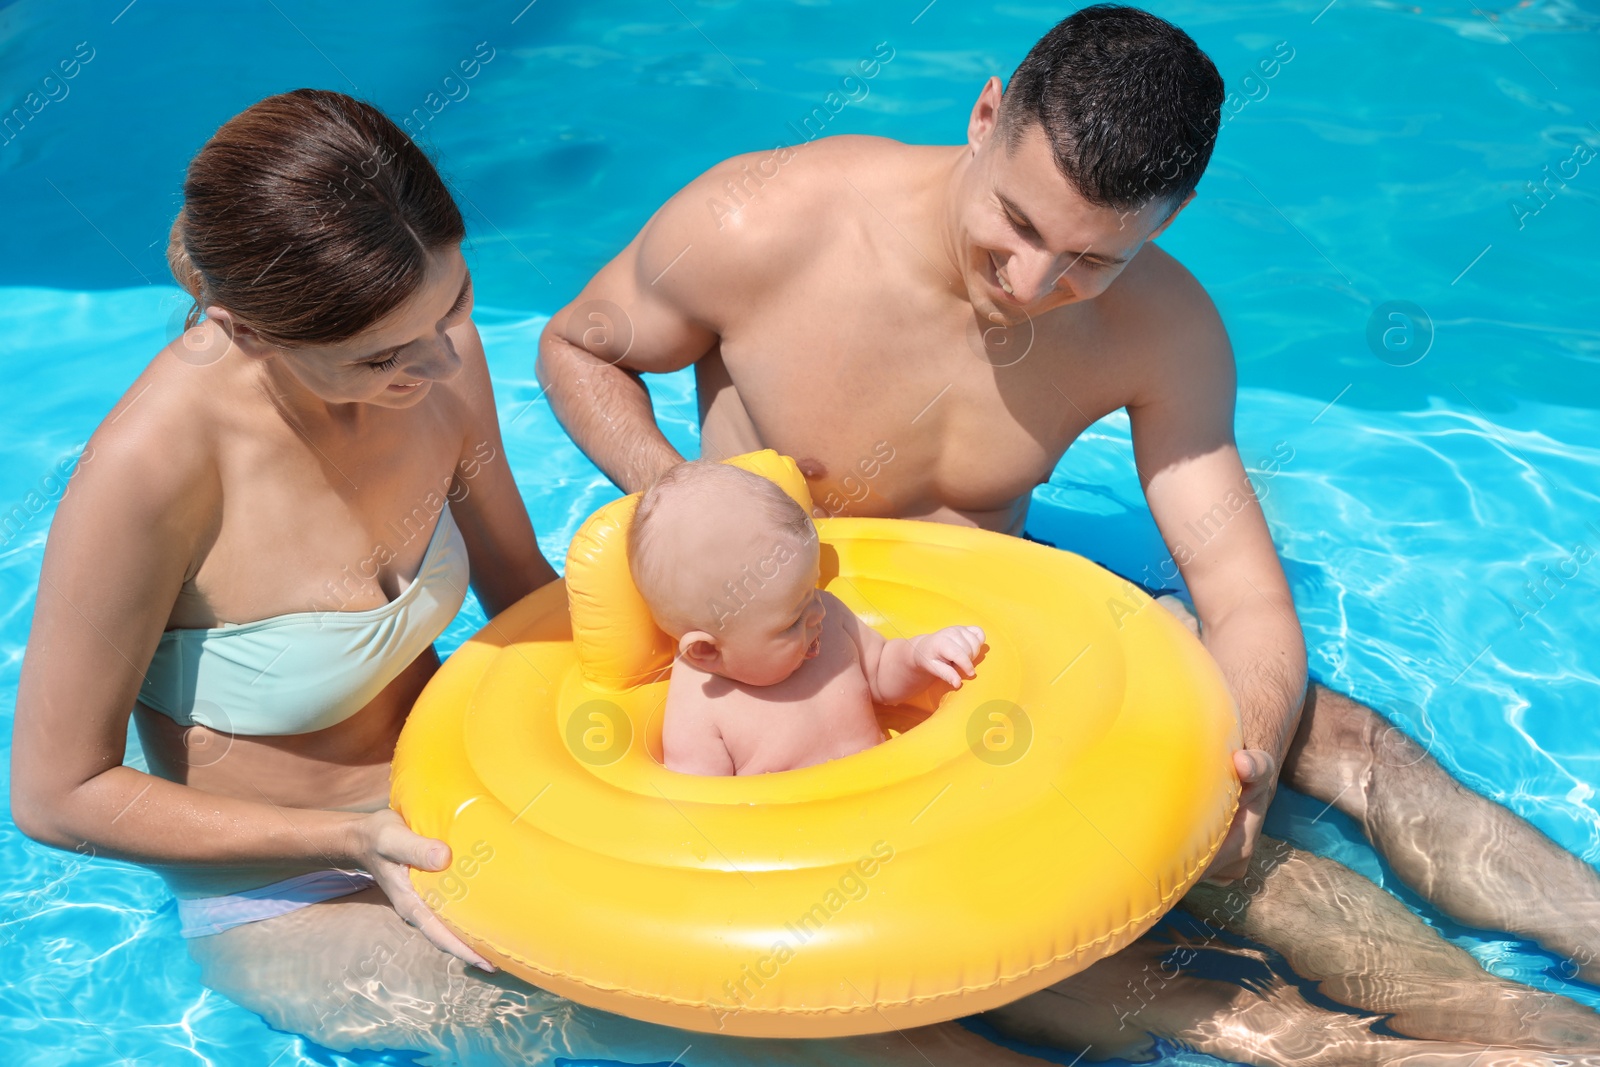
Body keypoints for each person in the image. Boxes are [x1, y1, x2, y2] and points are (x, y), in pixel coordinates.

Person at [537, 5, 1600, 1060]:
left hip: (1004, 636)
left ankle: (1557, 998)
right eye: (1018, 223)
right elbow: (579, 348)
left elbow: (1239, 594)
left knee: (1343, 743)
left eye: (1091, 259)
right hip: (791, 664)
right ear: (984, 112)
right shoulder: (759, 223)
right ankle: (1450, 1049)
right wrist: (691, 508)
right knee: (1215, 910)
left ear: (1166, 220)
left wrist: (1248, 756)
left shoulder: (1161, 327)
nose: (1033, 285)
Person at [5, 88, 1074, 1067]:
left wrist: (801, 635)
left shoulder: (437, 350)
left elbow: (531, 596)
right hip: (294, 891)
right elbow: (57, 794)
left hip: (480, 806)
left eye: (456, 305)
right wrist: (347, 839)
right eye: (382, 358)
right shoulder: (146, 477)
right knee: (775, 1037)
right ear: (247, 331)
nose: (437, 370)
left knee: (941, 949)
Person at [629, 460, 984, 775]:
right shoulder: (699, 714)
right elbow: (706, 814)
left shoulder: (825, 619)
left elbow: (881, 675)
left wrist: (920, 655)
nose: (817, 613)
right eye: (791, 621)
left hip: (889, 796)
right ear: (707, 651)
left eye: (812, 590)